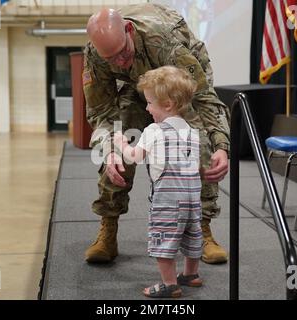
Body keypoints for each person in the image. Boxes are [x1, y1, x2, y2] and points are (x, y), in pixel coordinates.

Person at [83, 3, 230, 264]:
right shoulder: (96, 55)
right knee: (119, 151)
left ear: (129, 30)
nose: (119, 62)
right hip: (137, 88)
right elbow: (101, 111)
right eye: (112, 59)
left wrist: (221, 145)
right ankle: (108, 227)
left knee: (199, 144)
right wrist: (109, 151)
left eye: (122, 53)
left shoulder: (165, 41)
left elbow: (203, 98)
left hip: (178, 85)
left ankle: (202, 229)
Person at [113, 66, 203, 298]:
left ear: (168, 104)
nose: (146, 107)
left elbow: (134, 157)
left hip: (168, 198)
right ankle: (191, 274)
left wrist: (122, 143)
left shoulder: (154, 130)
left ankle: (170, 284)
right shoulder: (192, 132)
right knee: (192, 233)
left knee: (164, 237)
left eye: (150, 102)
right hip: (193, 196)